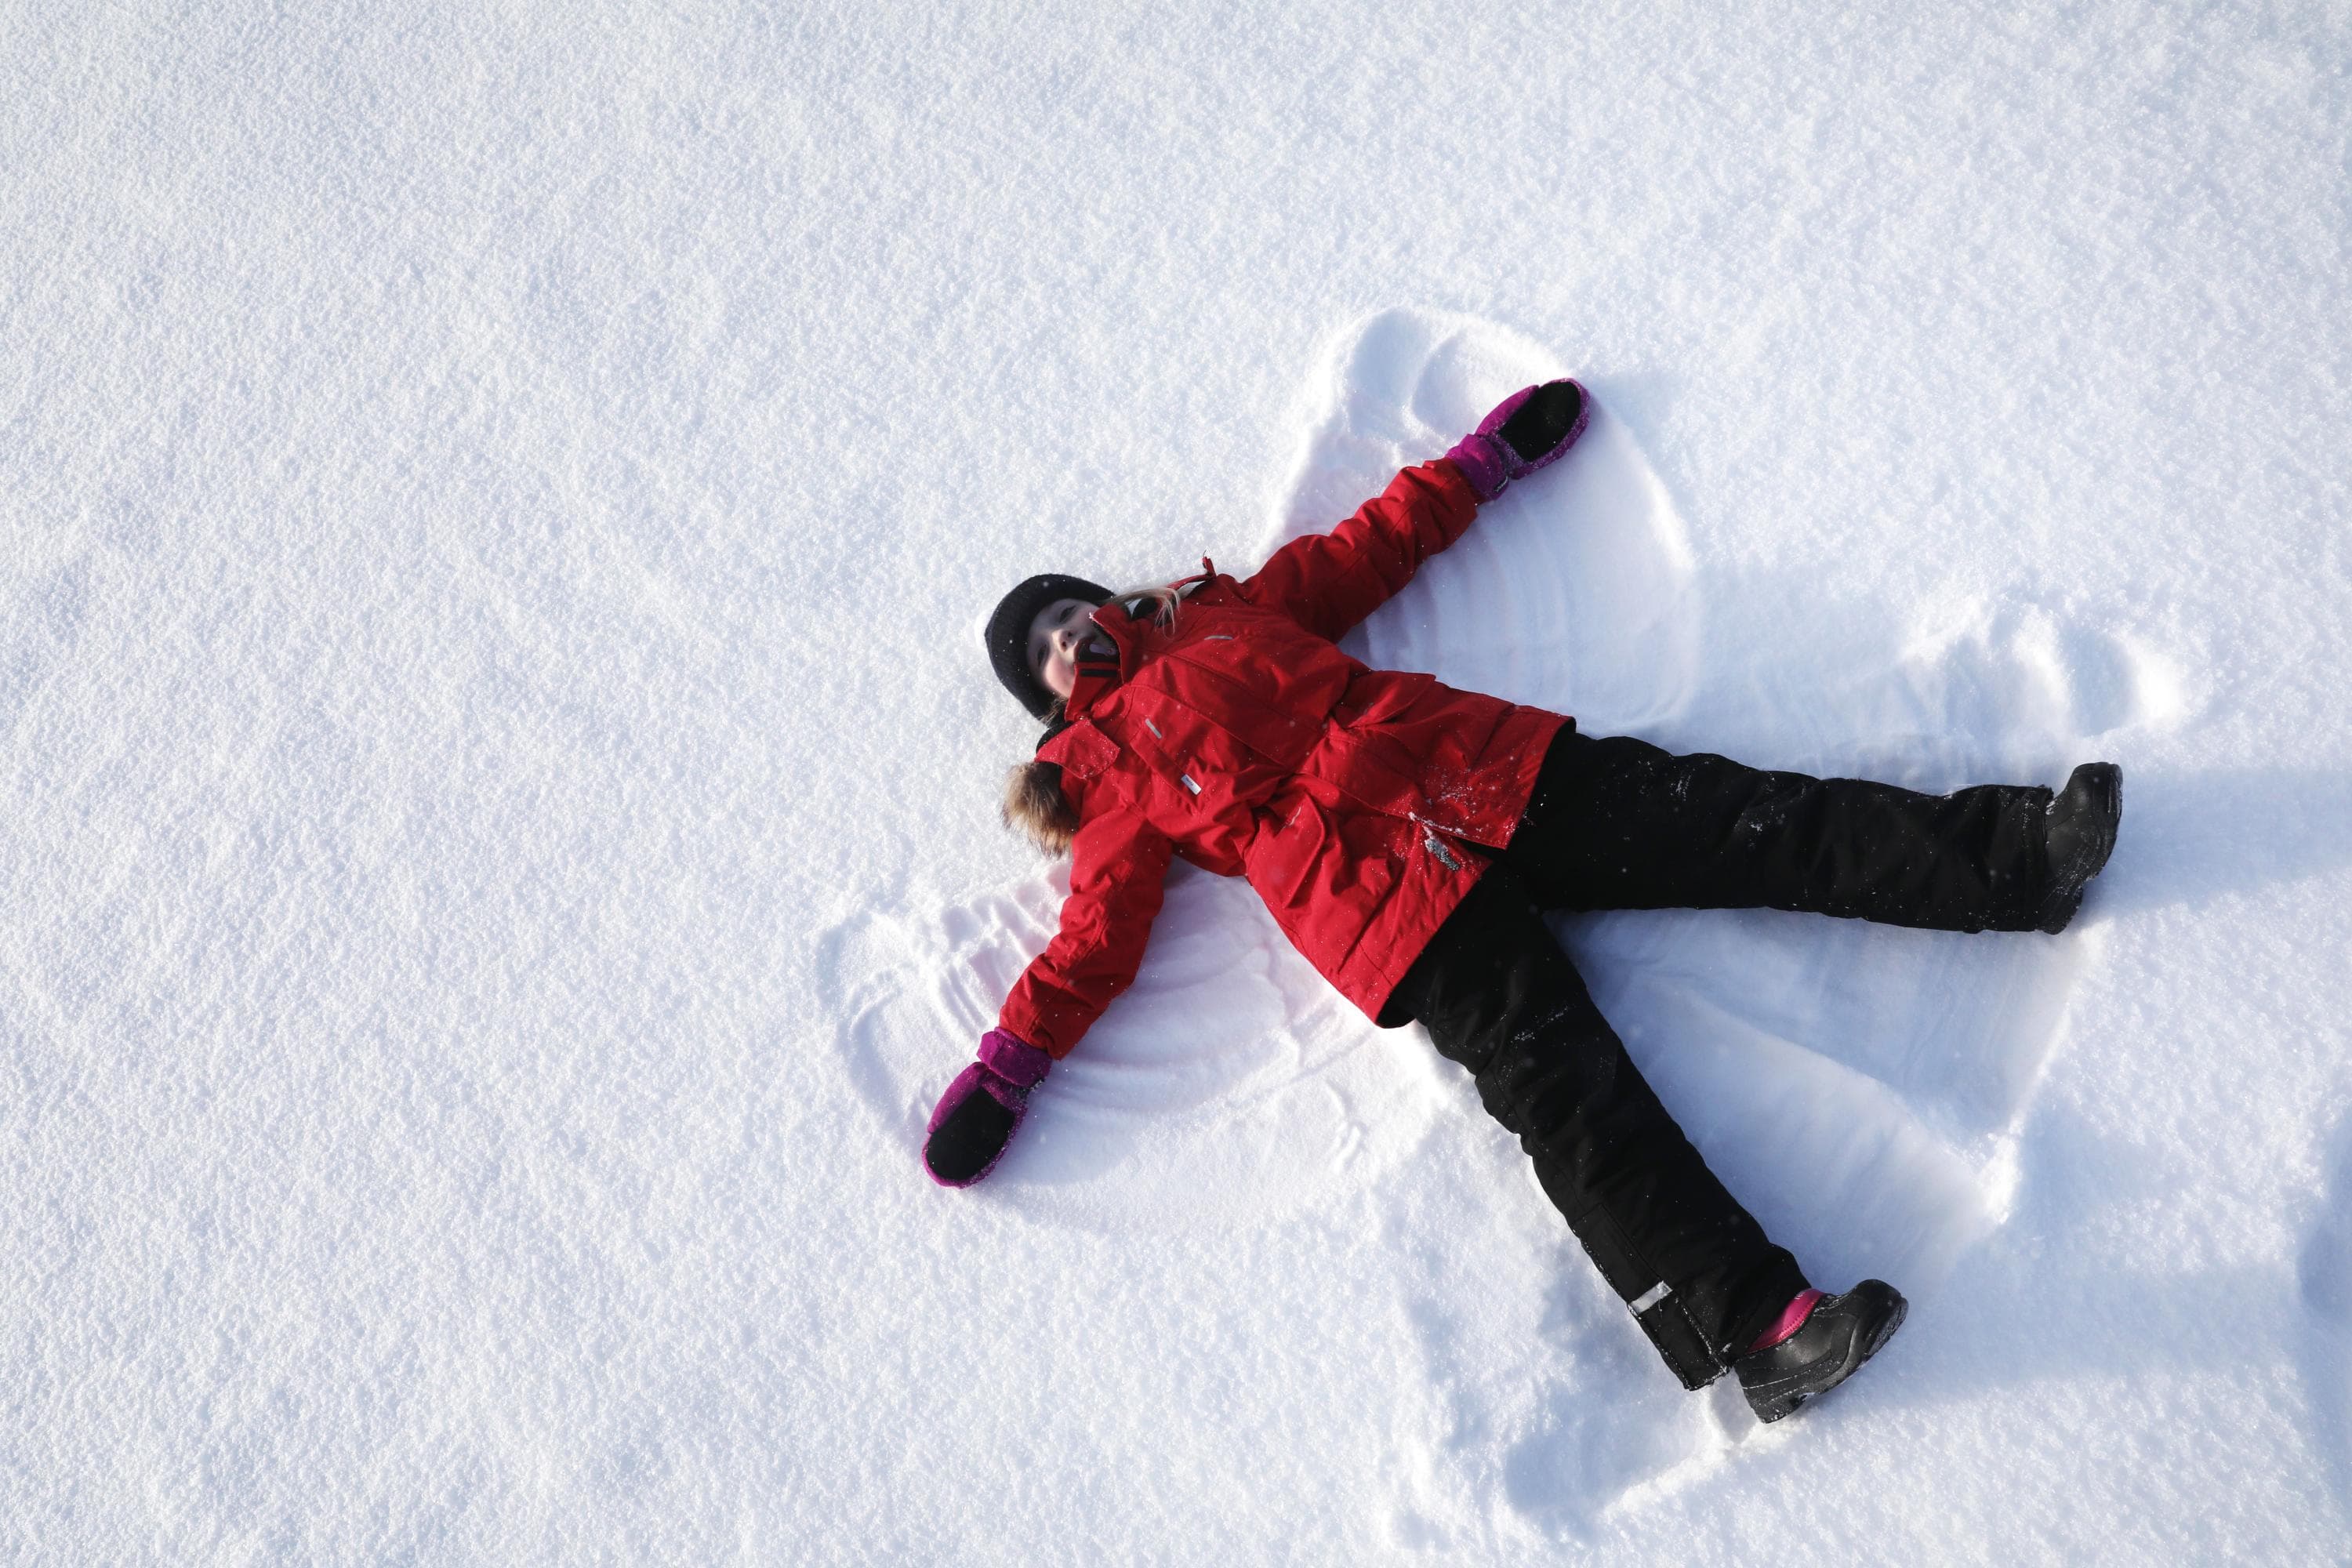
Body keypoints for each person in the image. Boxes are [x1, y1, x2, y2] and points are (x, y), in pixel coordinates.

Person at [923, 380, 2122, 1423]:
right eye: (1042, 650)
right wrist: (1008, 1071)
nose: (1067, 636)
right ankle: (1767, 1333)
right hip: (1386, 907)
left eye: (1067, 611)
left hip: (1480, 768)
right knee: (1574, 1100)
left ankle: (2018, 861)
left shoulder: (1228, 613)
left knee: (1745, 819)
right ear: (1045, 701)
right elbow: (1094, 942)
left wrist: (1484, 463)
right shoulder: (1102, 779)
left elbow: (1368, 549)